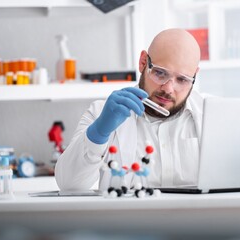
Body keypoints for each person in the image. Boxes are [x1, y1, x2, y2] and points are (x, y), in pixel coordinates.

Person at [55, 28, 204, 192]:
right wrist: (98, 133)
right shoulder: (101, 113)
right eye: (160, 73)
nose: (168, 89)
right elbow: (68, 184)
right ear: (143, 63)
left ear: (195, 76)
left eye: (182, 79)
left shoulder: (210, 117)